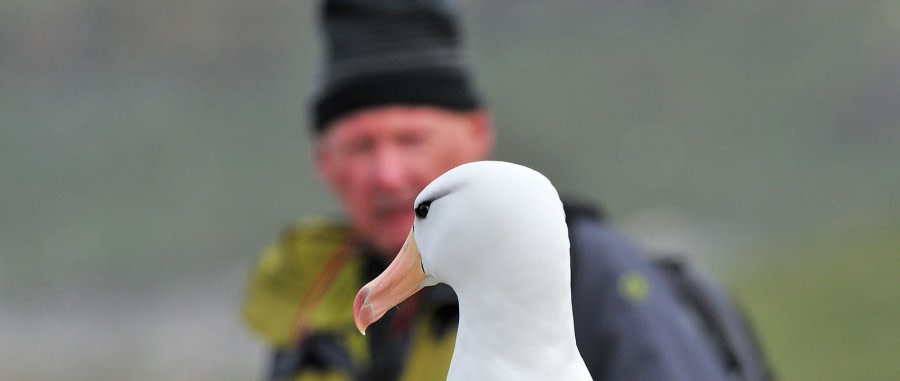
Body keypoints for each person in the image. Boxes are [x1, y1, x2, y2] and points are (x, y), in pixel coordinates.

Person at [242, 1, 759, 380]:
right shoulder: (305, 307)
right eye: (360, 147)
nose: (389, 175)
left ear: (477, 133)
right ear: (323, 162)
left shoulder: (596, 274)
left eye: (410, 139)